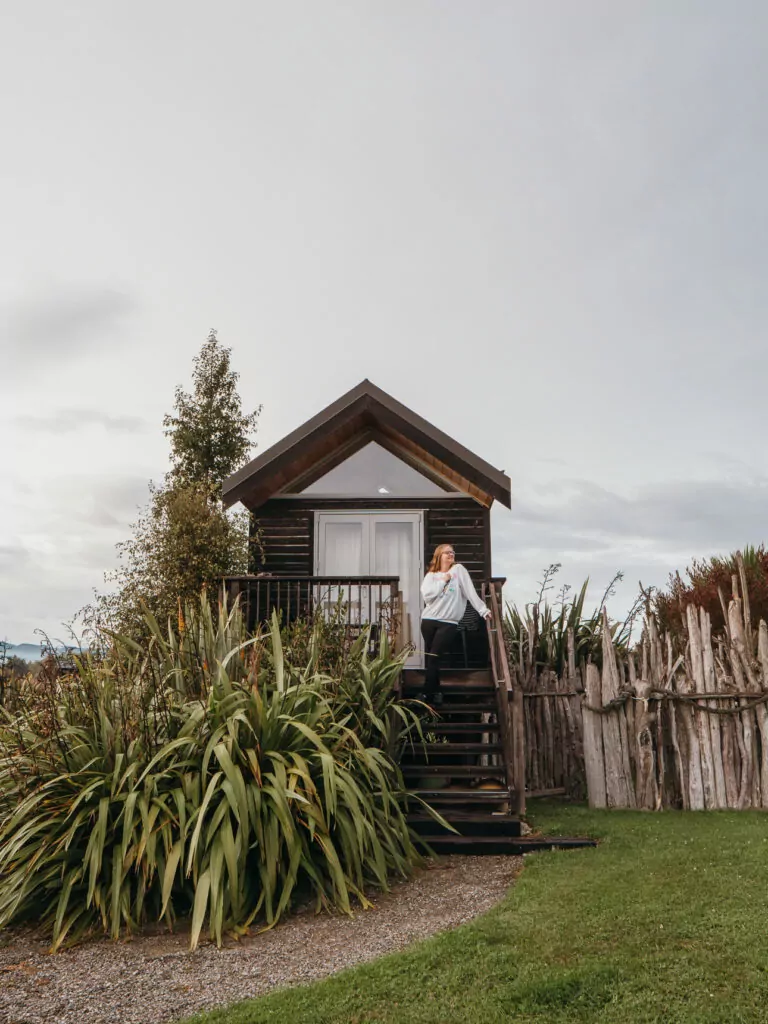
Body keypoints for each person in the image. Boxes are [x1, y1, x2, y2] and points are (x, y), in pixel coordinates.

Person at [420, 543, 491, 705]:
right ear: (439, 556)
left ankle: (427, 695)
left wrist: (483, 610)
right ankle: (436, 692)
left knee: (433, 657)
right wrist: (443, 581)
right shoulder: (431, 575)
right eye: (447, 553)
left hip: (448, 623)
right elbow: (428, 596)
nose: (451, 555)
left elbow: (470, 591)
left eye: (452, 552)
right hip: (429, 621)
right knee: (433, 659)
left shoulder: (459, 570)